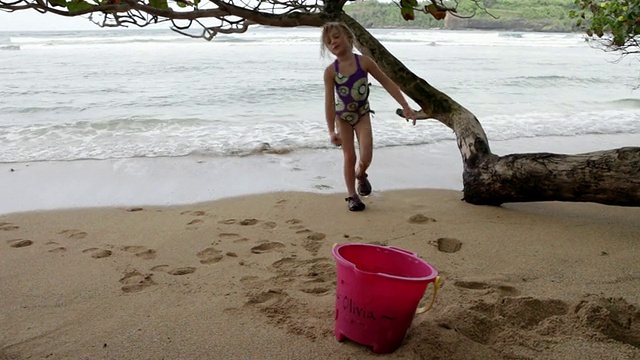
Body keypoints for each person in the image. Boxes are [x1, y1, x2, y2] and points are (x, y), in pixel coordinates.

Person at [321, 22, 417, 212]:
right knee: (349, 156)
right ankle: (352, 196)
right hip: (343, 118)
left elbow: (387, 83)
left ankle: (361, 173)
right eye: (328, 41)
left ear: (349, 37)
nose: (333, 42)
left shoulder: (364, 62)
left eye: (336, 37)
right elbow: (329, 103)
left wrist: (405, 106)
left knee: (366, 155)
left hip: (362, 114)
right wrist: (331, 130)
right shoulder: (331, 71)